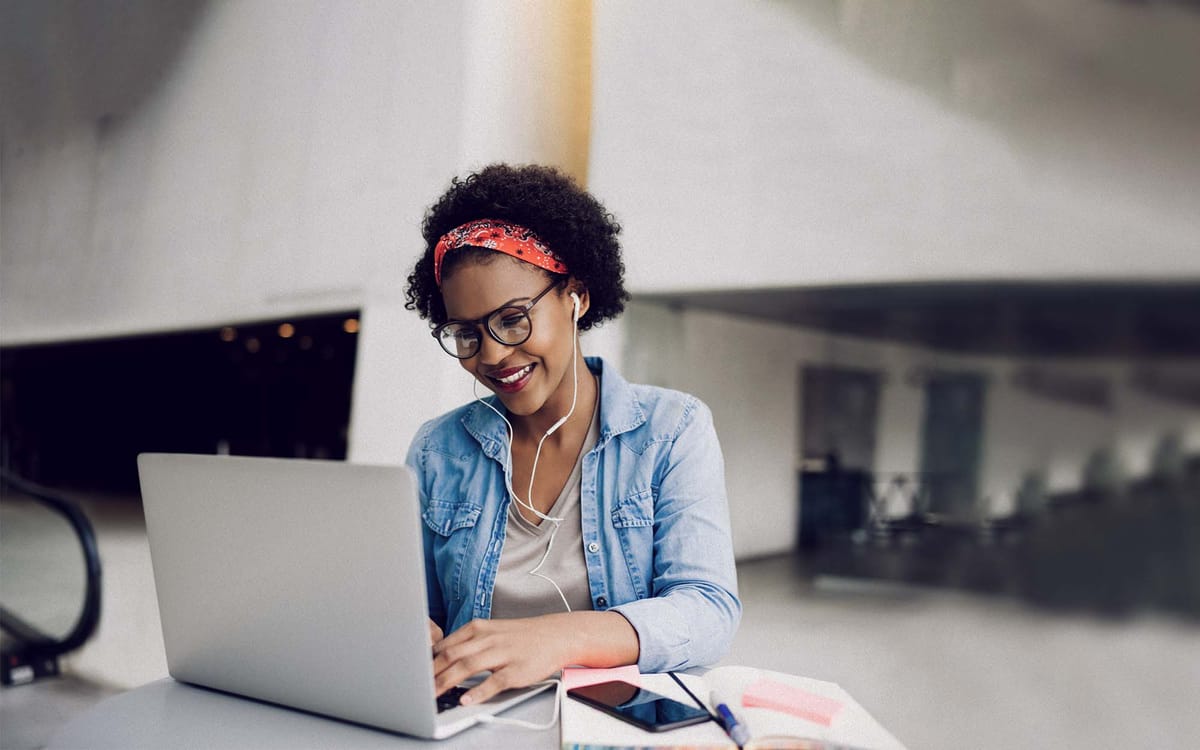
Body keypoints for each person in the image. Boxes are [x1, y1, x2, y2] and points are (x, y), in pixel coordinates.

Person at [403, 163, 740, 708]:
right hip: (467, 722)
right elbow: (419, 609)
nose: (491, 355)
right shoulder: (437, 449)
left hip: (606, 723)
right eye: (465, 333)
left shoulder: (670, 430)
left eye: (513, 319)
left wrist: (558, 637)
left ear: (576, 297)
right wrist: (408, 629)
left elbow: (708, 610)